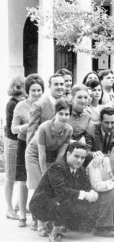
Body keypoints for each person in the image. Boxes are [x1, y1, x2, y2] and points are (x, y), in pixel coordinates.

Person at [29, 142, 98, 242]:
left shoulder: (80, 170)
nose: (79, 160)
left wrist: (92, 192)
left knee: (84, 204)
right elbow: (61, 192)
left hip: (57, 202)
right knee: (66, 200)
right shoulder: (57, 167)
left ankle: (57, 224)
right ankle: (54, 233)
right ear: (68, 154)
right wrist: (85, 195)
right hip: (40, 205)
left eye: (82, 158)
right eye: (76, 156)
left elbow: (87, 187)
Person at [25, 99, 73, 236]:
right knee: (40, 187)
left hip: (52, 156)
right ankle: (40, 223)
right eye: (61, 114)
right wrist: (45, 174)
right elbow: (41, 154)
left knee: (52, 186)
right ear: (55, 113)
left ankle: (48, 220)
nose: (64, 117)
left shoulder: (69, 129)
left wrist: (54, 172)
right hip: (35, 156)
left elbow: (61, 154)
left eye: (67, 114)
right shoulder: (44, 128)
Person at [11, 73, 44, 227]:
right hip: (25, 144)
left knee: (40, 180)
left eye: (39, 90)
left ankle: (38, 215)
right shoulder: (20, 106)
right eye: (33, 91)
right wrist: (28, 126)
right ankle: (23, 215)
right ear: (27, 91)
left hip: (42, 145)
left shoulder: (45, 104)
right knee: (23, 180)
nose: (37, 94)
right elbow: (13, 129)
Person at [3, 76, 25, 221]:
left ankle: (19, 205)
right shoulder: (12, 104)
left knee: (21, 175)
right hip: (12, 141)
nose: (24, 88)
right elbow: (13, 128)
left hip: (21, 141)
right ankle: (9, 209)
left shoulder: (22, 103)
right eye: (22, 85)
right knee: (11, 176)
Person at [26, 73, 65, 143]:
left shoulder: (68, 104)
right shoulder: (38, 106)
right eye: (56, 84)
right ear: (49, 86)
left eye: (62, 84)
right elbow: (31, 133)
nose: (59, 87)